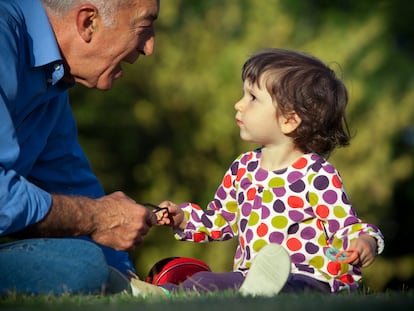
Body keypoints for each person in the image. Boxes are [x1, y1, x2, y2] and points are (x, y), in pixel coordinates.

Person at [156, 48, 385, 296]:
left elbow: (344, 225)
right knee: (201, 280)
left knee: (289, 288)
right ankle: (160, 293)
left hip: (310, 279)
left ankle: (261, 290)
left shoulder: (316, 174)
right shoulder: (243, 168)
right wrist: (183, 218)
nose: (239, 104)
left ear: (289, 120)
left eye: (252, 97)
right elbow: (221, 219)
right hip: (248, 276)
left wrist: (364, 242)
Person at [0, 0, 165, 296]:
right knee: (79, 267)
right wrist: (97, 217)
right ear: (88, 22)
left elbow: (71, 182)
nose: (149, 47)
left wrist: (129, 281)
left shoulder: (53, 83)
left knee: (84, 263)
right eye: (144, 27)